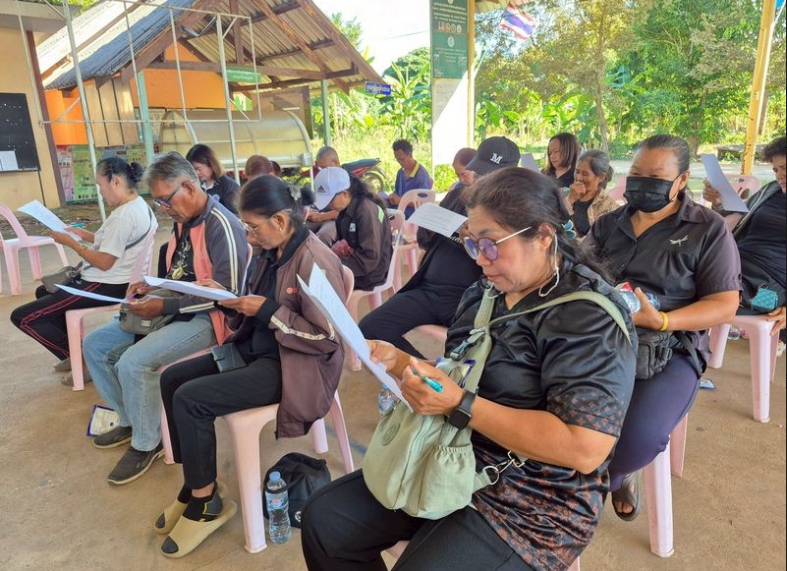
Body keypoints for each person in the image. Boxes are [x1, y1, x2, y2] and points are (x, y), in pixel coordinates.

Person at [301, 167, 637, 571]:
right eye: (471, 243)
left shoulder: (586, 317)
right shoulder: (485, 293)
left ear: (543, 236)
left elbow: (584, 448)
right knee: (326, 522)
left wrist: (459, 405)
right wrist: (404, 363)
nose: (479, 259)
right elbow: (463, 370)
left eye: (491, 244)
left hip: (535, 497)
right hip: (451, 454)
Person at [154, 175, 347, 558]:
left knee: (191, 399)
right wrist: (227, 299)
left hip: (295, 368)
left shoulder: (316, 261)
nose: (249, 236)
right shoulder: (269, 250)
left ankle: (206, 503)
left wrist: (268, 311)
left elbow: (327, 338)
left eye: (253, 227)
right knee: (173, 380)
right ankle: (197, 484)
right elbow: (254, 305)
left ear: (280, 220)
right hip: (258, 349)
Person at [585, 134, 740, 520]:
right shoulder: (608, 224)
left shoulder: (707, 229)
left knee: (636, 438)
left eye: (655, 177)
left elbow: (725, 304)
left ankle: (611, 479)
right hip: (598, 336)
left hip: (669, 346)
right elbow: (577, 271)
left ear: (682, 180)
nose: (643, 183)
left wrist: (665, 320)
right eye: (637, 173)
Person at [83, 152, 248, 486]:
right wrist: (153, 287)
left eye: (165, 200)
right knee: (95, 345)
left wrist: (164, 306)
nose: (163, 209)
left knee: (133, 362)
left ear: (189, 187)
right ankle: (131, 420)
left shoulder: (222, 225)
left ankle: (147, 443)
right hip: (175, 307)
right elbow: (179, 273)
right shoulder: (183, 220)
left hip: (211, 319)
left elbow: (229, 296)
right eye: (158, 202)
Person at [359, 137, 519, 357]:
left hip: (470, 299)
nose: (479, 180)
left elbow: (510, 268)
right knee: (369, 330)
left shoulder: (515, 214)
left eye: (488, 176)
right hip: (428, 289)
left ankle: (441, 376)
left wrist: (477, 240)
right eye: (479, 173)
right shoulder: (457, 196)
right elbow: (425, 240)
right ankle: (425, 372)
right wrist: (432, 227)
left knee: (476, 351)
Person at [11, 158, 156, 382]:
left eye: (101, 185)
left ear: (115, 182)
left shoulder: (124, 216)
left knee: (23, 317)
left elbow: (104, 262)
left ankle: (83, 361)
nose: (100, 192)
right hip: (114, 280)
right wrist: (82, 235)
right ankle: (73, 353)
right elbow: (114, 241)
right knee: (44, 292)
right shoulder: (136, 206)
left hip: (107, 285)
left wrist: (72, 244)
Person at [702, 135, 786, 342]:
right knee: (680, 272)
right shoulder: (771, 191)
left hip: (771, 286)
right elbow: (736, 217)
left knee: (729, 296)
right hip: (732, 263)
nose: (780, 175)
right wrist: (718, 202)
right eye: (776, 170)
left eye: (784, 167)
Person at [313, 167, 393, 291]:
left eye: (330, 200)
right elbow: (342, 243)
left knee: (319, 284)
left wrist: (335, 267)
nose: (329, 205)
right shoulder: (345, 209)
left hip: (370, 274)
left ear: (344, 193)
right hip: (355, 264)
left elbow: (369, 258)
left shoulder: (366, 211)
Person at [566, 149, 619, 237]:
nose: (578, 178)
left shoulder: (609, 208)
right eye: (577, 172)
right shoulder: (569, 196)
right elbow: (555, 222)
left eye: (585, 174)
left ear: (601, 177)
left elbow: (601, 240)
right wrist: (570, 200)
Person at [185, 143, 240, 215]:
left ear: (211, 165)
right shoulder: (196, 185)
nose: (196, 173)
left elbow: (236, 216)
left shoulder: (229, 186)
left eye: (198, 169)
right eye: (193, 170)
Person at [306, 145, 343, 245]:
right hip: (319, 215)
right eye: (320, 168)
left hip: (336, 220)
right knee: (294, 229)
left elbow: (346, 211)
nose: (322, 171)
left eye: (324, 167)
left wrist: (322, 216)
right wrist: (309, 211)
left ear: (335, 162)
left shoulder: (347, 180)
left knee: (323, 236)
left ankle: (319, 255)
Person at [390, 139, 432, 215]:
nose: (399, 162)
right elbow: (397, 192)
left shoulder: (421, 175)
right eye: (397, 159)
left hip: (414, 214)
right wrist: (393, 197)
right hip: (400, 210)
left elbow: (423, 203)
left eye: (402, 159)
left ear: (410, 155)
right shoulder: (400, 172)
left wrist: (400, 200)